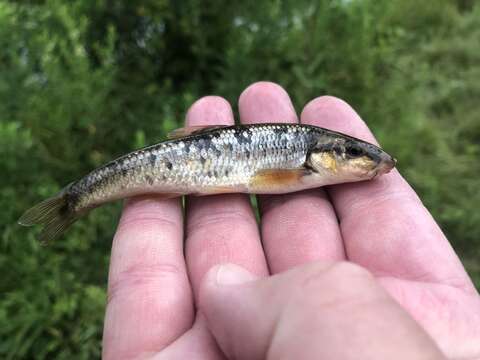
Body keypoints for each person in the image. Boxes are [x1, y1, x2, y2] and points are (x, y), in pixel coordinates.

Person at [101, 82, 480, 359]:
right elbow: (271, 178)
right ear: (323, 155)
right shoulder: (297, 164)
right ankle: (77, 200)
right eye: (353, 153)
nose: (370, 163)